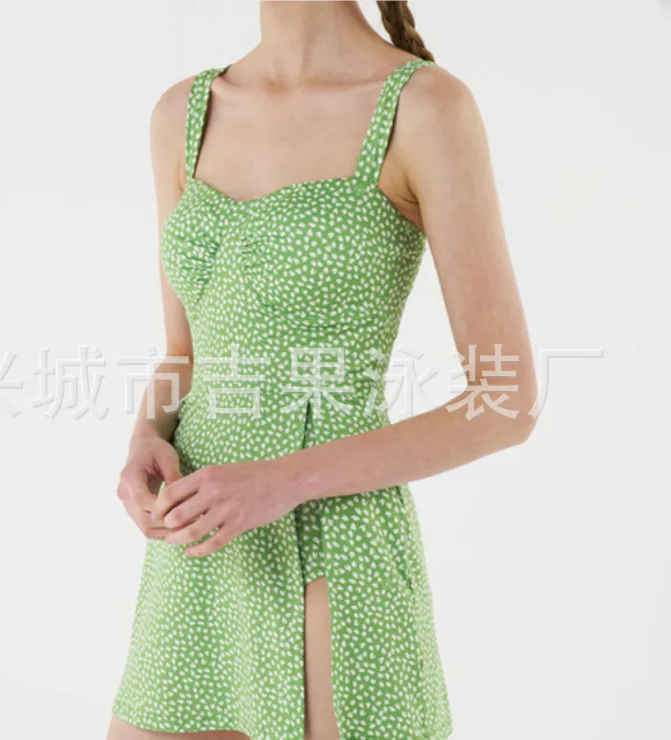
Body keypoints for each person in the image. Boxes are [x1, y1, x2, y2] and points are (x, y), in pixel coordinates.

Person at [108, 2, 537, 739]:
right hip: (197, 548)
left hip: (332, 552)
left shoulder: (424, 108)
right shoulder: (181, 114)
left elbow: (506, 401)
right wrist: (145, 436)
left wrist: (283, 480)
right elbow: (187, 353)